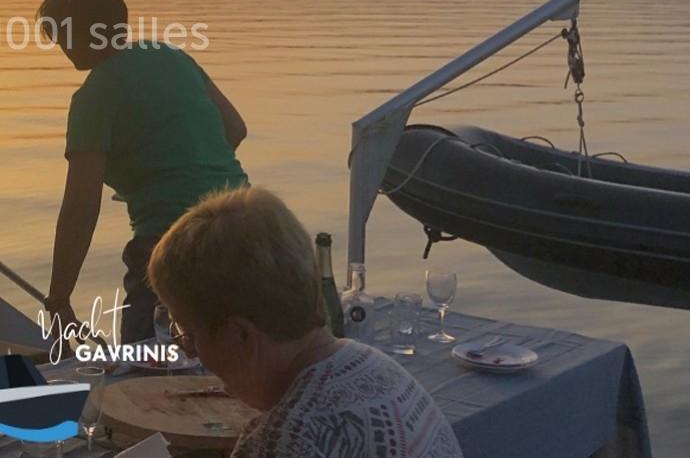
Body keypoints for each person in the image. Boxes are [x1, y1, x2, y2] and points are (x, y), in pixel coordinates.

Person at [147, 187, 464, 458]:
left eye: (189, 337)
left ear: (240, 335)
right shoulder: (377, 370)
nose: (194, 355)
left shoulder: (287, 439)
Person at [38, 0, 249, 344]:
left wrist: (59, 297)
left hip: (173, 243)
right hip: (248, 222)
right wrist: (175, 171)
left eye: (59, 34)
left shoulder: (93, 96)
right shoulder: (172, 56)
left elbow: (81, 208)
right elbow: (234, 128)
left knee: (144, 361)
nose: (59, 46)